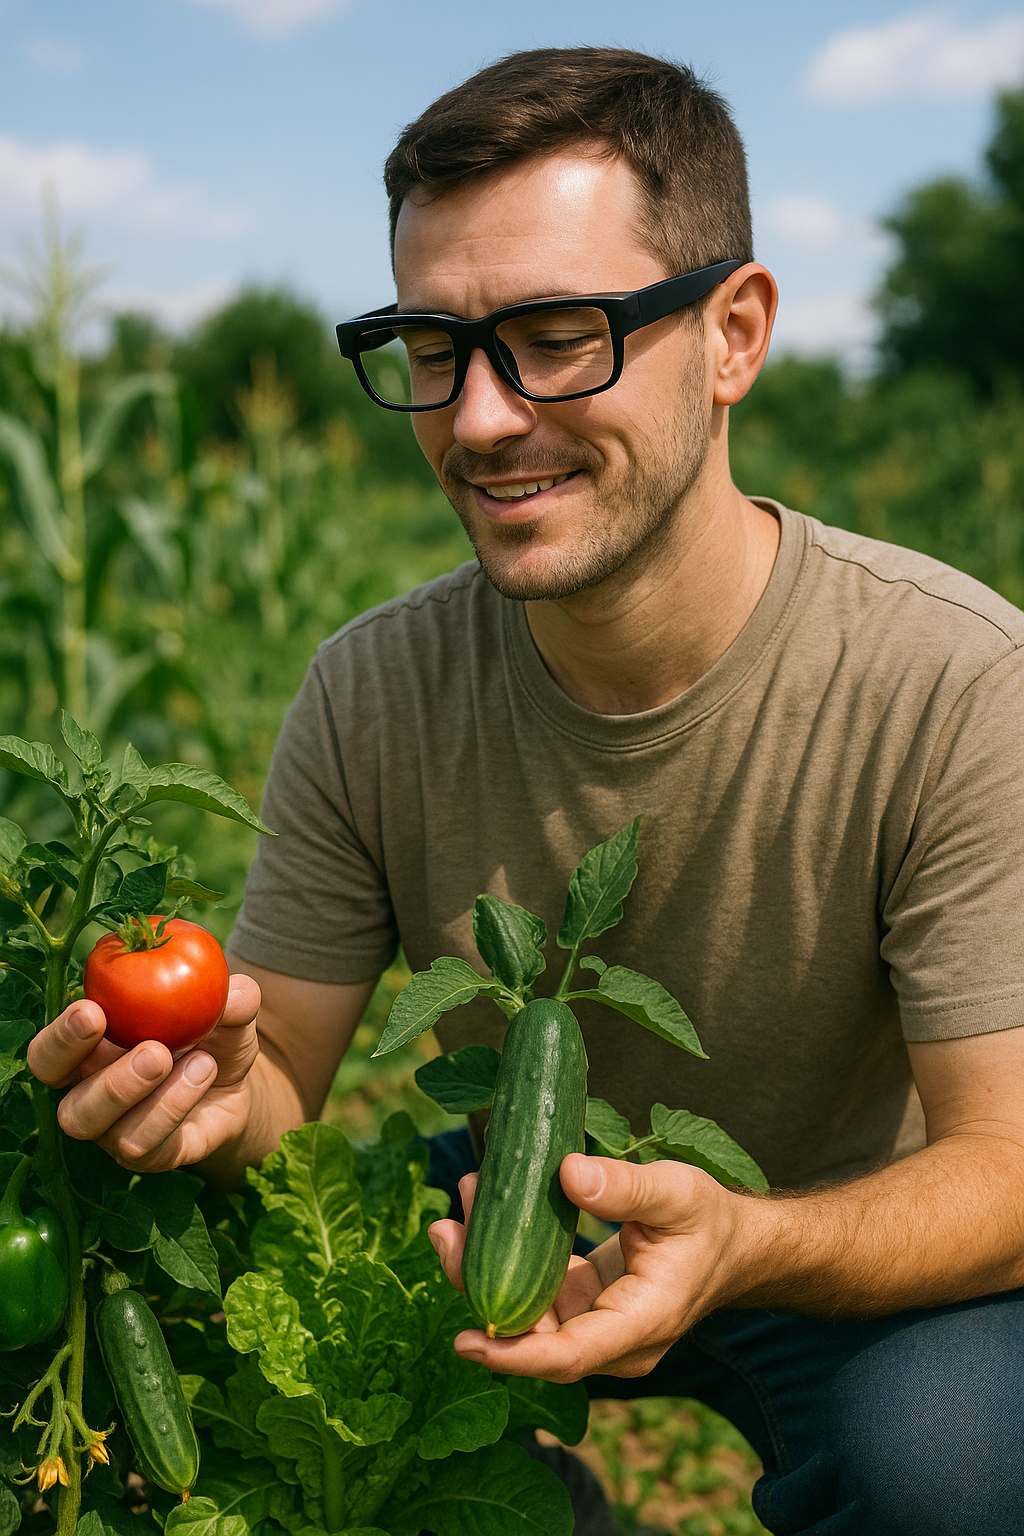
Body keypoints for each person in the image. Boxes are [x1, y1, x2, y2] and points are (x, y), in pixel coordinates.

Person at [28, 47, 1024, 1535]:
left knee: (962, 1477)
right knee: (139, 1370)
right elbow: (285, 1073)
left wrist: (746, 1241)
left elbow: (1008, 1166)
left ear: (734, 333)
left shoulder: (954, 679)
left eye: (559, 336)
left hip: (850, 1242)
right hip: (511, 1209)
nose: (480, 417)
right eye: (434, 346)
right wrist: (207, 1100)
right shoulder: (371, 687)